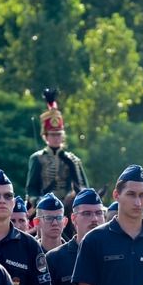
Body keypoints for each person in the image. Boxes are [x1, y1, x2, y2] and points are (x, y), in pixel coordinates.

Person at [26, 88, 88, 219]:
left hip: (70, 204)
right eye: (52, 135)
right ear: (45, 136)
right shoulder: (37, 158)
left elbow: (84, 186)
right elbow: (31, 188)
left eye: (59, 135)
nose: (56, 138)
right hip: (43, 204)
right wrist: (37, 199)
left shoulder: (73, 159)